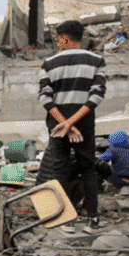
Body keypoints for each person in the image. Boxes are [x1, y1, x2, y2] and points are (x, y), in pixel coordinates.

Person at [34, 20, 108, 234]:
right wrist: (72, 123)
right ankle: (93, 219)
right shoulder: (96, 61)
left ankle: (66, 221)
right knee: (88, 169)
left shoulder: (49, 63)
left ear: (64, 39)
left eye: (59, 39)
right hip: (83, 124)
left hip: (56, 124)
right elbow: (96, 96)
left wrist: (64, 123)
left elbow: (45, 98)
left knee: (60, 169)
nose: (58, 43)